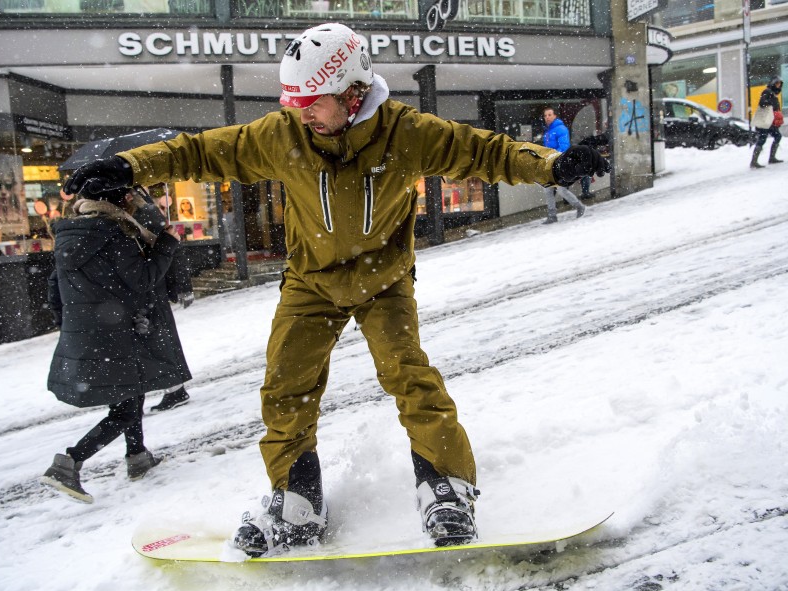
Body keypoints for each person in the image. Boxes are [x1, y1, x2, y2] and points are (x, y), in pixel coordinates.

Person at [62, 23, 609, 552]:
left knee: (409, 378)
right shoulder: (282, 136)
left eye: (313, 100)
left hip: (384, 281)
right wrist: (130, 167)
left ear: (353, 93)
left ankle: (446, 486)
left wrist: (553, 164)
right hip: (311, 283)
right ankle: (297, 499)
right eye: (293, 100)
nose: (300, 112)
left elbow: (486, 151)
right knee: (284, 389)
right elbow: (200, 151)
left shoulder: (407, 132)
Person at [41, 186, 181, 503]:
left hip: (92, 330)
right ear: (119, 202)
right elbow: (143, 279)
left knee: (132, 391)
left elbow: (54, 286)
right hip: (114, 330)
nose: (133, 202)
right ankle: (68, 463)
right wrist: (167, 245)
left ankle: (137, 455)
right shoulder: (114, 233)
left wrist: (72, 323)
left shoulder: (71, 232)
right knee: (125, 410)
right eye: (129, 197)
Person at [139, 191, 195, 412]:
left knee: (160, 338)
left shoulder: (147, 214)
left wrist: (182, 286)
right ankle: (173, 388)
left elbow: (172, 249)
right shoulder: (144, 213)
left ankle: (175, 389)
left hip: (153, 285)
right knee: (159, 338)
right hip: (150, 284)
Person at [541, 107, 588, 224]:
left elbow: (564, 147)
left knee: (561, 189)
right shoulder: (547, 132)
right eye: (545, 115)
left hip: (560, 163)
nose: (547, 117)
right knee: (548, 189)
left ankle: (579, 206)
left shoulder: (561, 129)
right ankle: (552, 215)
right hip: (550, 164)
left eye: (549, 115)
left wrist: (551, 156)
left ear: (555, 116)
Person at [750, 76, 783, 169]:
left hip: (770, 122)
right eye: (777, 83)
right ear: (773, 83)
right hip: (766, 121)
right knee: (762, 139)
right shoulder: (767, 91)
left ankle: (771, 158)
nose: (778, 85)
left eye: (779, 84)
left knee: (777, 136)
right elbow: (762, 102)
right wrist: (771, 104)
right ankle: (754, 161)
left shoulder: (772, 93)